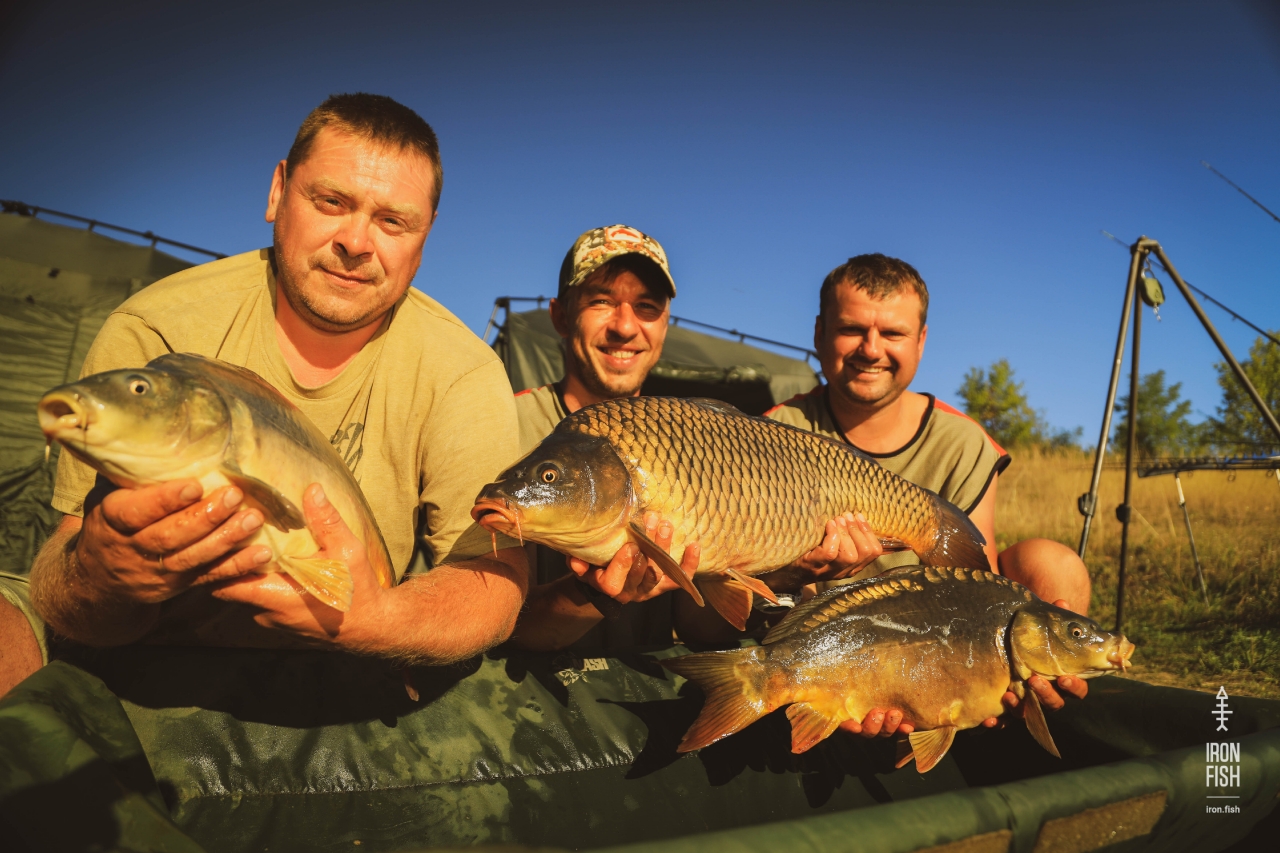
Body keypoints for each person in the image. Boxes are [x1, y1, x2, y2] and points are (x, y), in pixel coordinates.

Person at [0, 93, 527, 698]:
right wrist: (101, 578)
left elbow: (495, 580)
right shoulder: (155, 330)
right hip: (146, 652)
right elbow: (68, 578)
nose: (356, 241)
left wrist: (378, 620)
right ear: (278, 191)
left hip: (346, 664)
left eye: (392, 222)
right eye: (331, 202)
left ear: (424, 235)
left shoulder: (463, 371)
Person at [508, 226, 887, 654]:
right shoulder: (509, 426)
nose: (626, 326)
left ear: (664, 324)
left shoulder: (689, 435)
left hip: (647, 682)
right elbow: (493, 629)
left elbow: (699, 630)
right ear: (560, 315)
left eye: (647, 307)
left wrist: (787, 573)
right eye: (601, 301)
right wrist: (592, 594)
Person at [765, 253, 1093, 736]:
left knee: (1053, 563)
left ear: (920, 341)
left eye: (892, 333)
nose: (870, 349)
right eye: (851, 329)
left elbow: (977, 586)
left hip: (935, 640)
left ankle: (1028, 689)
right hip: (828, 638)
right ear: (819, 333)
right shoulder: (775, 431)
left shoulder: (963, 441)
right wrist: (798, 571)